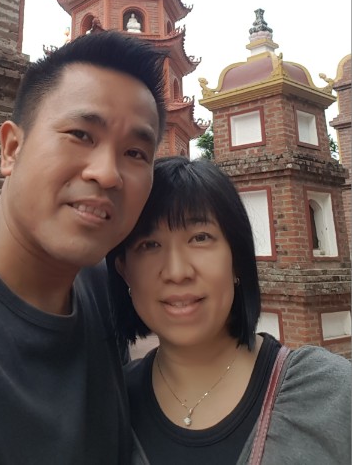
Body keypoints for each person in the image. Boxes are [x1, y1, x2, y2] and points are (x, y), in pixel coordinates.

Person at [0, 31, 167, 465]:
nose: (108, 174)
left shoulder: (104, 288)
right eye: (81, 134)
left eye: (135, 153)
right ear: (12, 149)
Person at [107, 156, 351, 465]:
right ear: (124, 270)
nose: (177, 272)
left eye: (200, 238)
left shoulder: (330, 392)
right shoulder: (111, 407)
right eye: (149, 245)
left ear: (237, 258)